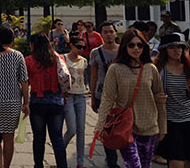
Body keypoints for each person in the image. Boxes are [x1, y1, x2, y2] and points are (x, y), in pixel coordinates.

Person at [95, 29, 167, 168]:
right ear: (124, 47)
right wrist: (100, 125)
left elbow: (160, 98)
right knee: (133, 164)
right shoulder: (115, 69)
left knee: (146, 165)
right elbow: (107, 98)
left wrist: (162, 127)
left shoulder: (151, 68)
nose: (136, 48)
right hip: (125, 126)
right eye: (131, 45)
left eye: (139, 45)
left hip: (149, 125)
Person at [155, 33, 190, 167]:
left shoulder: (187, 67)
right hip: (171, 122)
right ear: (165, 50)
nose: (177, 50)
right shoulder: (159, 70)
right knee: (177, 162)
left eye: (180, 47)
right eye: (172, 48)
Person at [0, 26, 29, 168]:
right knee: (9, 138)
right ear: (12, 40)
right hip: (13, 102)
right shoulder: (17, 55)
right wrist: (26, 103)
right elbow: (24, 81)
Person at [26, 33, 68, 168]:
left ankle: (38, 165)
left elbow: (24, 82)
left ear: (33, 45)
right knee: (57, 139)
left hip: (37, 102)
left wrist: (24, 102)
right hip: (56, 102)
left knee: (38, 139)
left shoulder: (29, 60)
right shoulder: (57, 58)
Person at [89, 21, 120, 168]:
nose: (108, 34)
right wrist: (93, 97)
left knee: (121, 129)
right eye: (105, 32)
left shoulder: (123, 51)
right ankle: (112, 160)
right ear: (101, 34)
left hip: (121, 96)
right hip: (102, 95)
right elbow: (94, 76)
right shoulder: (95, 52)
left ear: (115, 33)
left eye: (111, 31)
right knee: (107, 129)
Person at [63, 37, 88, 168]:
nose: (81, 49)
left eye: (83, 47)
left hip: (81, 96)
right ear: (71, 45)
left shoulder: (84, 61)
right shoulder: (63, 59)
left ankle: (80, 162)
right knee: (71, 129)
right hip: (68, 96)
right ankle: (60, 150)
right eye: (79, 46)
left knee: (81, 129)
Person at [79, 21, 103, 89]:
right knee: (86, 71)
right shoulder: (82, 34)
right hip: (85, 55)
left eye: (89, 26)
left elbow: (101, 45)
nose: (87, 28)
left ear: (92, 27)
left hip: (95, 55)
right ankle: (87, 85)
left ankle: (93, 86)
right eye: (86, 27)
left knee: (93, 71)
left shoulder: (97, 35)